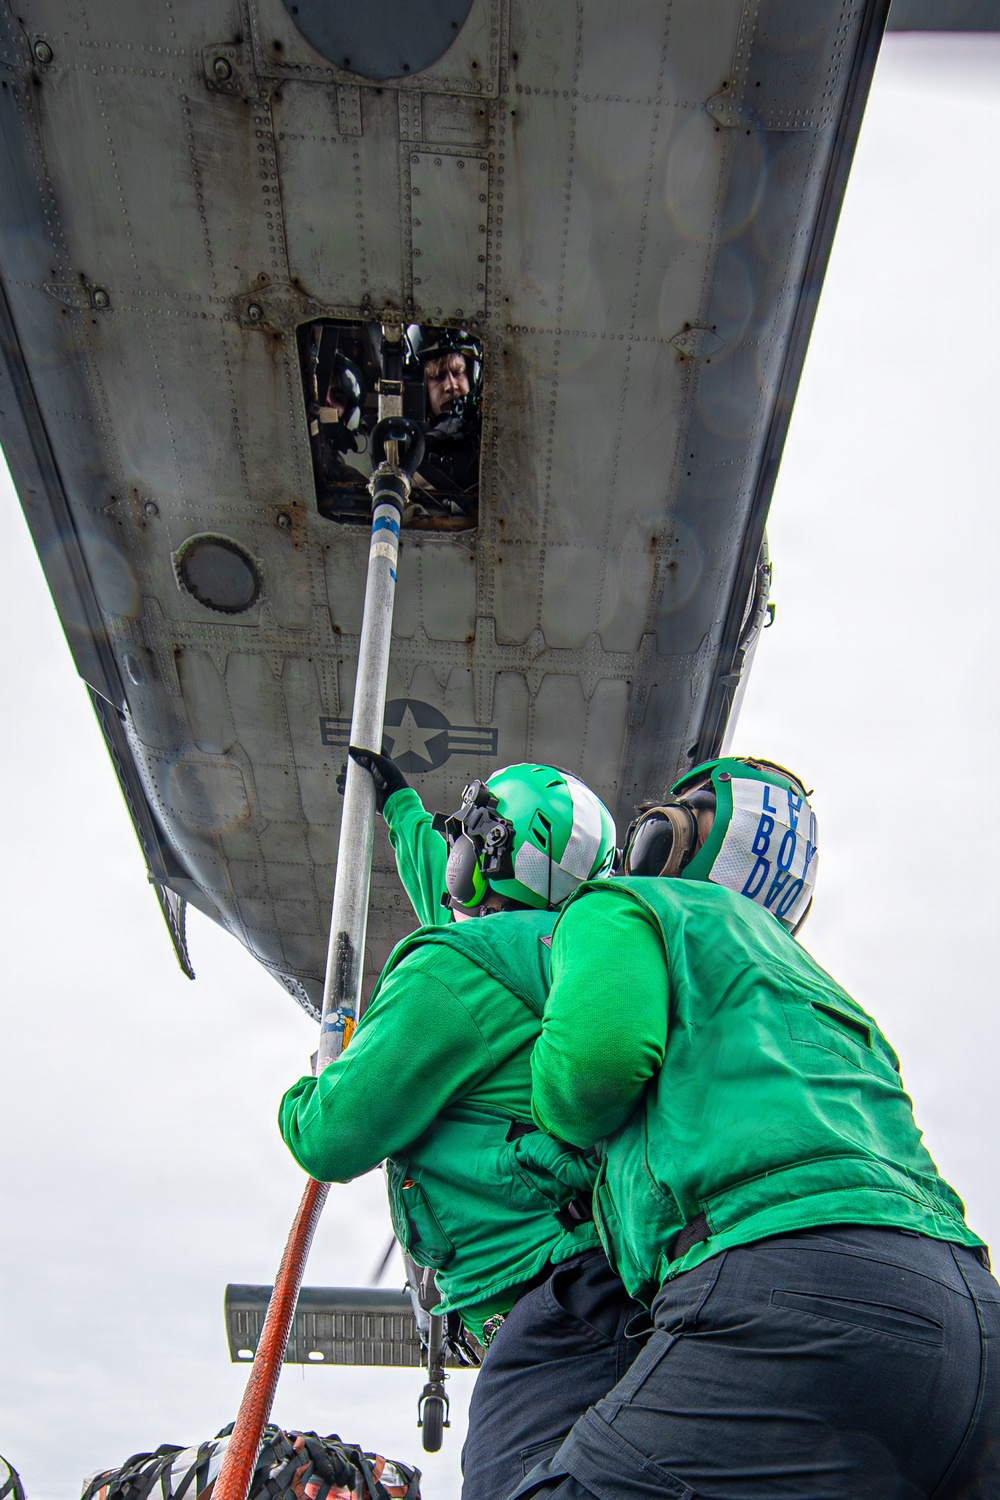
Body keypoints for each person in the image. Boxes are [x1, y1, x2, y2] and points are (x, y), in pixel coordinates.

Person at [513, 756, 999, 1500]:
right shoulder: (817, 981)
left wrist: (546, 1105)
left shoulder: (631, 904)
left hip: (791, 1290)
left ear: (661, 843)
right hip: (971, 1316)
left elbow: (594, 1070)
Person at [281, 764, 644, 1500]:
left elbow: (326, 1137)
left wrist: (317, 1074)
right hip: (618, 1288)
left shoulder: (449, 973)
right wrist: (400, 808)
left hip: (551, 1310)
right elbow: (449, 902)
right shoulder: (571, 957)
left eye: (467, 840)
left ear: (485, 859)